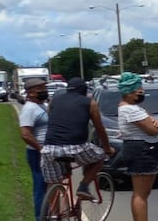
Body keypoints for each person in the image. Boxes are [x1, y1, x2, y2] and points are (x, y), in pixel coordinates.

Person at [41, 76, 115, 206]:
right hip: (75, 147)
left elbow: (51, 119)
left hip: (49, 148)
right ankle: (83, 187)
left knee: (52, 183)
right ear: (84, 90)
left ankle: (53, 215)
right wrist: (107, 148)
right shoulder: (90, 103)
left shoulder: (54, 100)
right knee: (100, 156)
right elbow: (99, 128)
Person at [116, 72, 158, 221]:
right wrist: (156, 124)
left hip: (138, 149)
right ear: (128, 92)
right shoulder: (130, 109)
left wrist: (151, 119)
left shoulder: (131, 108)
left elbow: (149, 119)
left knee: (139, 193)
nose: (141, 93)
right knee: (141, 194)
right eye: (138, 91)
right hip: (142, 150)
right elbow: (153, 129)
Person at [18, 77, 50, 221]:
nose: (44, 91)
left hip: (46, 150)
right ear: (30, 92)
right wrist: (40, 148)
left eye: (45, 88)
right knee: (40, 185)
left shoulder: (41, 105)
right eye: (40, 89)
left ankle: (51, 214)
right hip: (36, 152)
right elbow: (25, 134)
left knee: (49, 184)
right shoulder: (29, 109)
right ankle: (41, 220)